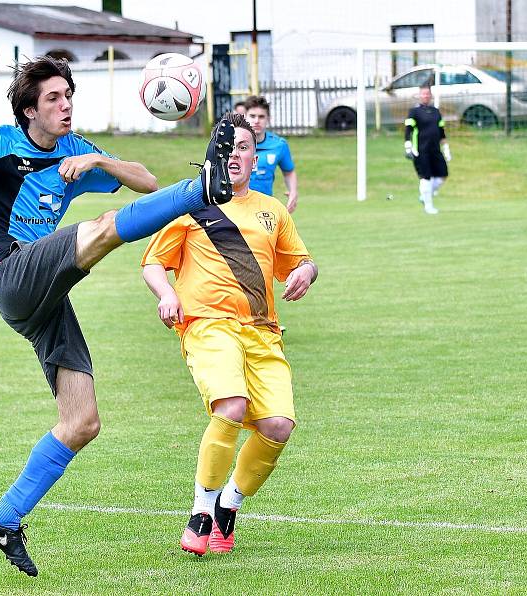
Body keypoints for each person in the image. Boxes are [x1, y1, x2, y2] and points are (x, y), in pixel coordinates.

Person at [0, 56, 236, 577]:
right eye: (53, 98)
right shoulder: (0, 144)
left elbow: (144, 181)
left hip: (45, 296)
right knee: (100, 228)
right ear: (29, 110)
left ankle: (4, 518)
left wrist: (99, 164)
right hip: (12, 275)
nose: (65, 105)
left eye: (68, 96)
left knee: (82, 422)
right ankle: (201, 190)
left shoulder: (77, 150)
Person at [141, 113, 317, 556]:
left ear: (256, 157)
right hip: (207, 325)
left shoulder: (271, 210)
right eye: (226, 147)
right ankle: (200, 513)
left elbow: (299, 260)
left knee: (278, 426)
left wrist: (306, 273)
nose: (234, 155)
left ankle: (228, 506)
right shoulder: (188, 205)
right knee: (232, 406)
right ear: (212, 156)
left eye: (242, 147)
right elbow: (153, 263)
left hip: (261, 331)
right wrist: (166, 294)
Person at [244, 95, 298, 213]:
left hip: (264, 209)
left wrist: (293, 191)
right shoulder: (231, 143)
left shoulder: (279, 145)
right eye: (252, 116)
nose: (256, 120)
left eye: (261, 116)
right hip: (235, 207)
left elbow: (289, 171)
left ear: (268, 119)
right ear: (245, 117)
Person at [404, 84, 451, 215]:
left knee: (443, 175)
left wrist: (446, 148)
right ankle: (428, 206)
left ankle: (425, 196)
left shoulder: (436, 112)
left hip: (435, 150)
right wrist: (408, 146)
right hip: (421, 150)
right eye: (423, 93)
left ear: (430, 95)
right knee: (426, 178)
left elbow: (441, 132)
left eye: (427, 93)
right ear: (419, 95)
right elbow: (408, 130)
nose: (425, 96)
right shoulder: (414, 112)